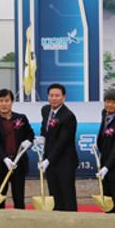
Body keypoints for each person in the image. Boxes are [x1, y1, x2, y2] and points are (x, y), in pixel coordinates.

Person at [0, 88, 34, 209]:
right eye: (0, 101)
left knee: (19, 196)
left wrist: (28, 141)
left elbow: (29, 133)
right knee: (0, 196)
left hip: (18, 163)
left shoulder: (21, 118)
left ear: (12, 102)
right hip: (0, 164)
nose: (4, 104)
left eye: (7, 100)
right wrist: (5, 158)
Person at [39, 83, 78, 211]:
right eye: (51, 95)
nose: (54, 98)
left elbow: (62, 142)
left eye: (57, 95)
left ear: (63, 97)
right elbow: (45, 127)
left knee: (66, 193)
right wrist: (42, 137)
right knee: (54, 193)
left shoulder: (68, 116)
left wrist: (48, 160)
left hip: (65, 161)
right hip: (50, 160)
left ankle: (72, 222)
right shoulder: (45, 110)